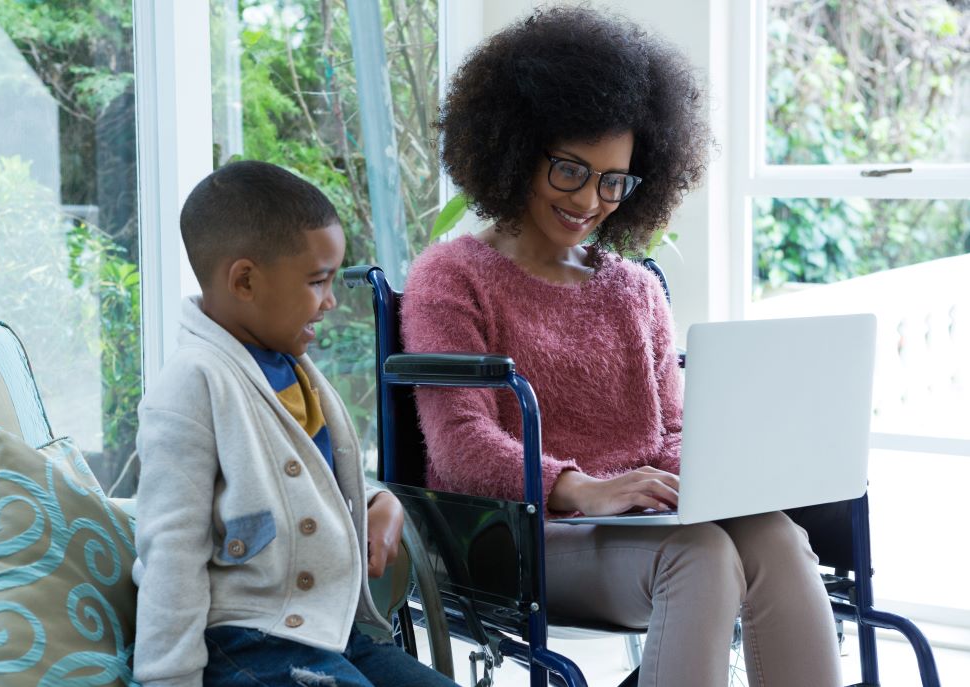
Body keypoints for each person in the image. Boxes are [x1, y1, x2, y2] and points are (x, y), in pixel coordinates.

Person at [401, 7, 842, 687]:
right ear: (516, 148)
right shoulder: (450, 277)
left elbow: (669, 431)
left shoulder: (635, 288)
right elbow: (462, 451)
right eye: (572, 171)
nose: (593, 200)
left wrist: (707, 476)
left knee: (777, 535)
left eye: (615, 180)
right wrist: (581, 487)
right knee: (697, 555)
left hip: (638, 526)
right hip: (521, 532)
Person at [132, 161, 458, 687]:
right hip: (249, 642)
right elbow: (171, 551)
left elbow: (308, 473)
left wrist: (379, 501)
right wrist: (169, 680)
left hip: (334, 633)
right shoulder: (191, 385)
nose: (330, 301)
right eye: (317, 281)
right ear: (245, 280)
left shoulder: (289, 365)